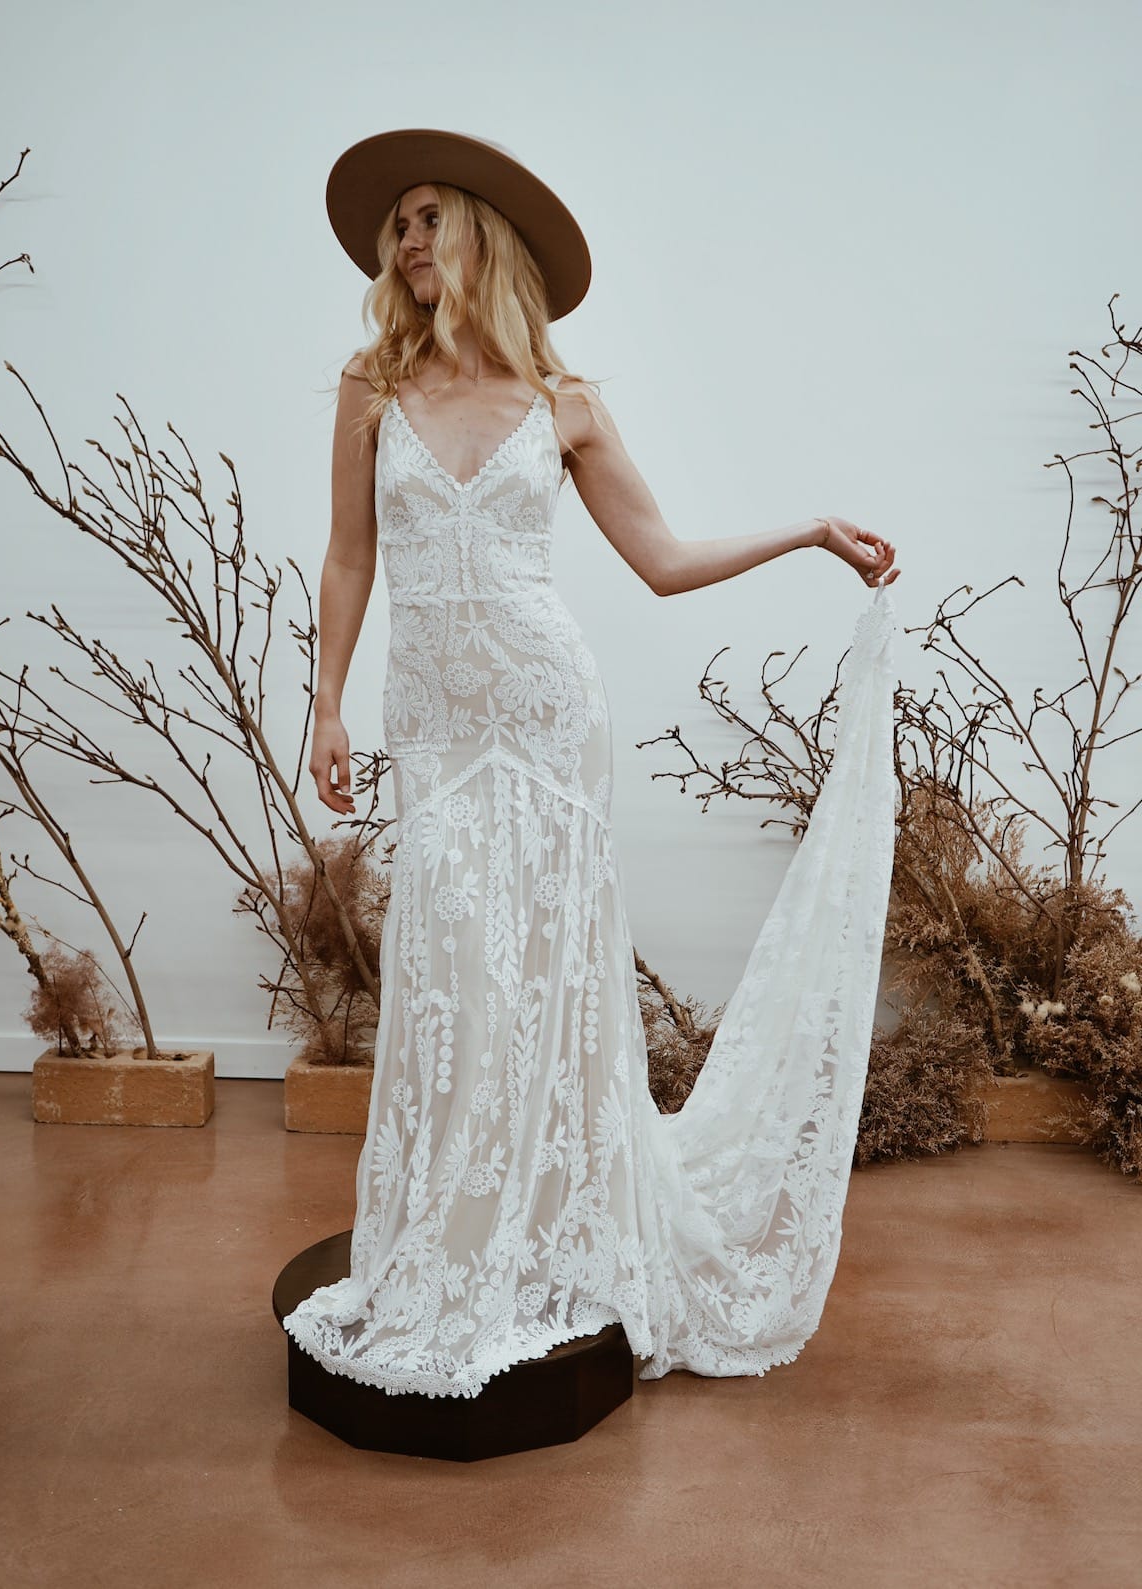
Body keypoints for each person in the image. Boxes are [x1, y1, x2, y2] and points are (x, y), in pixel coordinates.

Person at [281, 128, 901, 1398]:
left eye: (431, 216)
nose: (408, 239)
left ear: (483, 237)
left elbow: (662, 559)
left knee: (542, 975)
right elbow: (349, 556)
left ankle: (548, 1227)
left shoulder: (563, 402)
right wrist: (326, 704)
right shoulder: (368, 388)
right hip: (438, 730)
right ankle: (449, 1229)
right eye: (400, 223)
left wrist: (807, 532)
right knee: (450, 967)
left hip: (549, 721)